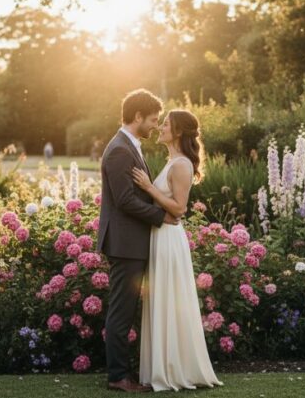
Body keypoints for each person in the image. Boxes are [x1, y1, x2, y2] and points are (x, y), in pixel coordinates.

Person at [132, 109, 223, 392]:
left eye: (166, 124)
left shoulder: (181, 164)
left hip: (169, 240)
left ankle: (174, 370)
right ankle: (162, 367)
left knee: (169, 299)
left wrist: (149, 188)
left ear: (179, 132)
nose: (160, 127)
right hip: (160, 237)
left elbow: (180, 208)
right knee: (162, 301)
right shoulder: (172, 161)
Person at [98, 89, 178, 393]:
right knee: (121, 311)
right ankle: (118, 377)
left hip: (131, 242)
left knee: (126, 310)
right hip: (125, 244)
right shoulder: (120, 149)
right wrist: (162, 216)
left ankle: (124, 373)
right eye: (153, 120)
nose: (156, 126)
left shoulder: (129, 145)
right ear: (137, 117)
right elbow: (125, 200)